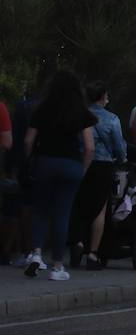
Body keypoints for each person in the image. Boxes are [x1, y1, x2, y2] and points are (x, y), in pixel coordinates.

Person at [23, 71, 96, 281]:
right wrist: (82, 169)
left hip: (45, 162)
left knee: (40, 210)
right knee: (62, 215)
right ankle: (57, 266)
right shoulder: (82, 112)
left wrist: (31, 161)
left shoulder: (41, 109)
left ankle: (36, 253)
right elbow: (90, 147)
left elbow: (29, 141)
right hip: (71, 165)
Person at [74, 80, 126, 271]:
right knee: (100, 209)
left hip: (81, 163)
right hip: (103, 165)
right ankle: (93, 253)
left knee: (80, 204)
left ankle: (78, 242)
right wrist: (121, 159)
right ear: (103, 96)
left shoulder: (79, 115)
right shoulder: (112, 119)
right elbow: (119, 148)